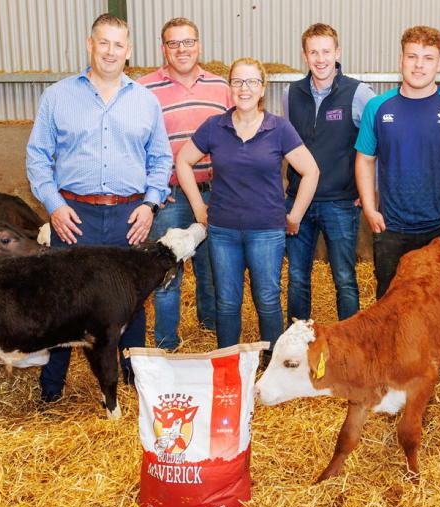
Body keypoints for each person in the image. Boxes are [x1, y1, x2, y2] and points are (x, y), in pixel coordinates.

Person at [26, 13, 172, 401]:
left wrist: (150, 205)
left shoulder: (145, 100)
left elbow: (161, 159)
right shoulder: (58, 96)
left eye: (118, 44)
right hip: (74, 216)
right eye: (102, 42)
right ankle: (51, 392)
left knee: (133, 301)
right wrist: (54, 206)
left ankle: (132, 384)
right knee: (61, 303)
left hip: (130, 217)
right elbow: (38, 156)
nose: (110, 51)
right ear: (90, 44)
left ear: (129, 51)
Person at [176, 58, 319, 358]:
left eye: (252, 82)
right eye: (238, 81)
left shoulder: (279, 128)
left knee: (267, 298)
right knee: (227, 301)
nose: (245, 88)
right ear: (230, 87)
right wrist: (199, 206)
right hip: (223, 230)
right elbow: (183, 161)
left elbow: (311, 171)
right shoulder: (215, 126)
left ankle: (271, 361)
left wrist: (294, 215)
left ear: (263, 88)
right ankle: (227, 362)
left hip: (266, 231)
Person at [354, 26, 440, 370]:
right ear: (401, 60)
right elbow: (364, 159)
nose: (419, 65)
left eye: (428, 58)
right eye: (412, 57)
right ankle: (392, 362)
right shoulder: (379, 108)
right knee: (391, 298)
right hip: (393, 224)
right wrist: (369, 207)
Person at [137, 17, 233, 347]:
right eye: (174, 43)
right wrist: (150, 193)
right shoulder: (144, 89)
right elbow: (136, 143)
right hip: (169, 196)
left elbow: (236, 138)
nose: (182, 49)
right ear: (163, 49)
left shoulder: (221, 87)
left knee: (212, 268)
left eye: (188, 42)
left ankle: (209, 326)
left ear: (199, 45)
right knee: (167, 271)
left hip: (214, 192)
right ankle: (166, 342)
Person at [282, 23, 375, 324]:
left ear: (337, 52)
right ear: (304, 55)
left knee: (345, 277)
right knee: (297, 277)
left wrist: (368, 192)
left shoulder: (359, 93)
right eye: (313, 52)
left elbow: (375, 146)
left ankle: (351, 340)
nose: (320, 59)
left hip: (340, 202)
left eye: (326, 51)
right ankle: (297, 339)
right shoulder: (290, 94)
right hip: (299, 203)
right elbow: (287, 146)